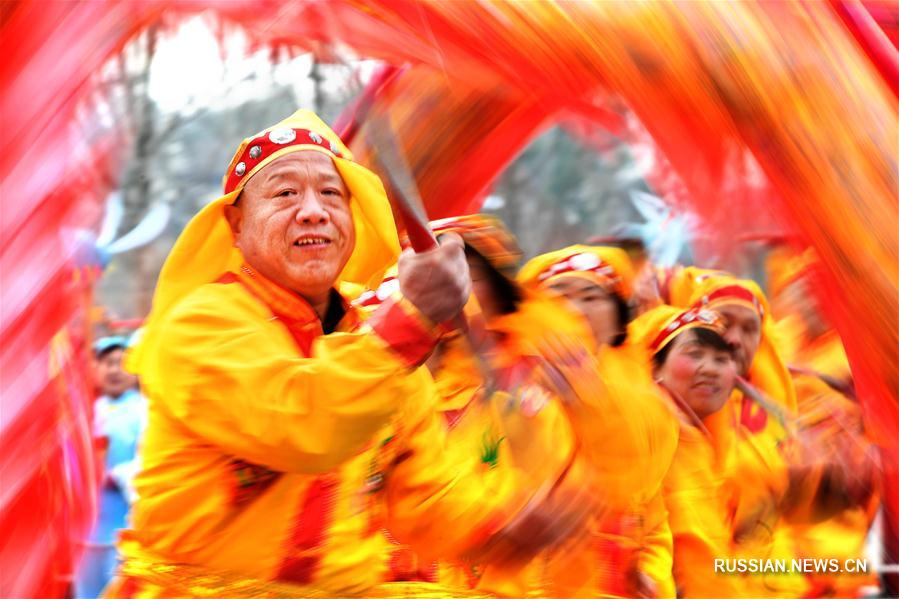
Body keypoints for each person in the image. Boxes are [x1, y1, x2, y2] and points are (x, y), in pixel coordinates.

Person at [102, 110, 588, 598]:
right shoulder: (200, 324)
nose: (313, 211)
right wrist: (412, 321)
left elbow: (427, 496)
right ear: (236, 222)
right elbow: (305, 421)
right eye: (285, 193)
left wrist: (507, 528)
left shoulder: (378, 336)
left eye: (331, 194)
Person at [518, 245, 679, 598]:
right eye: (558, 296)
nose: (575, 310)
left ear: (617, 318)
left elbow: (650, 514)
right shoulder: (510, 391)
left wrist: (652, 570)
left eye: (592, 297)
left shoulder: (646, 404)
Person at [628, 305, 747, 597]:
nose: (709, 368)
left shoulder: (708, 445)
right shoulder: (642, 436)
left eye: (721, 359)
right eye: (694, 354)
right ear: (654, 367)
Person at [76, 336, 146, 598]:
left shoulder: (143, 409)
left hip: (126, 528)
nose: (115, 369)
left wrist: (115, 474)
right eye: (107, 363)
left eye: (121, 362)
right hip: (85, 532)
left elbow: (148, 462)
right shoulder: (86, 409)